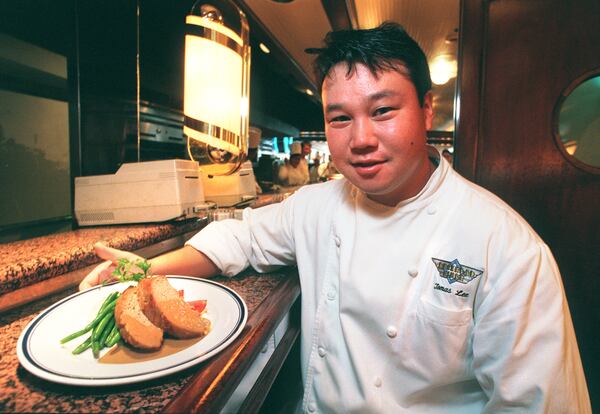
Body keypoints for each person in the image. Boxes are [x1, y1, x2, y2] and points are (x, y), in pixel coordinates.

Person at [80, 22, 591, 413]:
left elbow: (542, 403)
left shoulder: (506, 246)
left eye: (383, 111)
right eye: (340, 118)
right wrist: (146, 274)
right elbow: (240, 240)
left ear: (426, 110)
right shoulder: (317, 205)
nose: (361, 139)